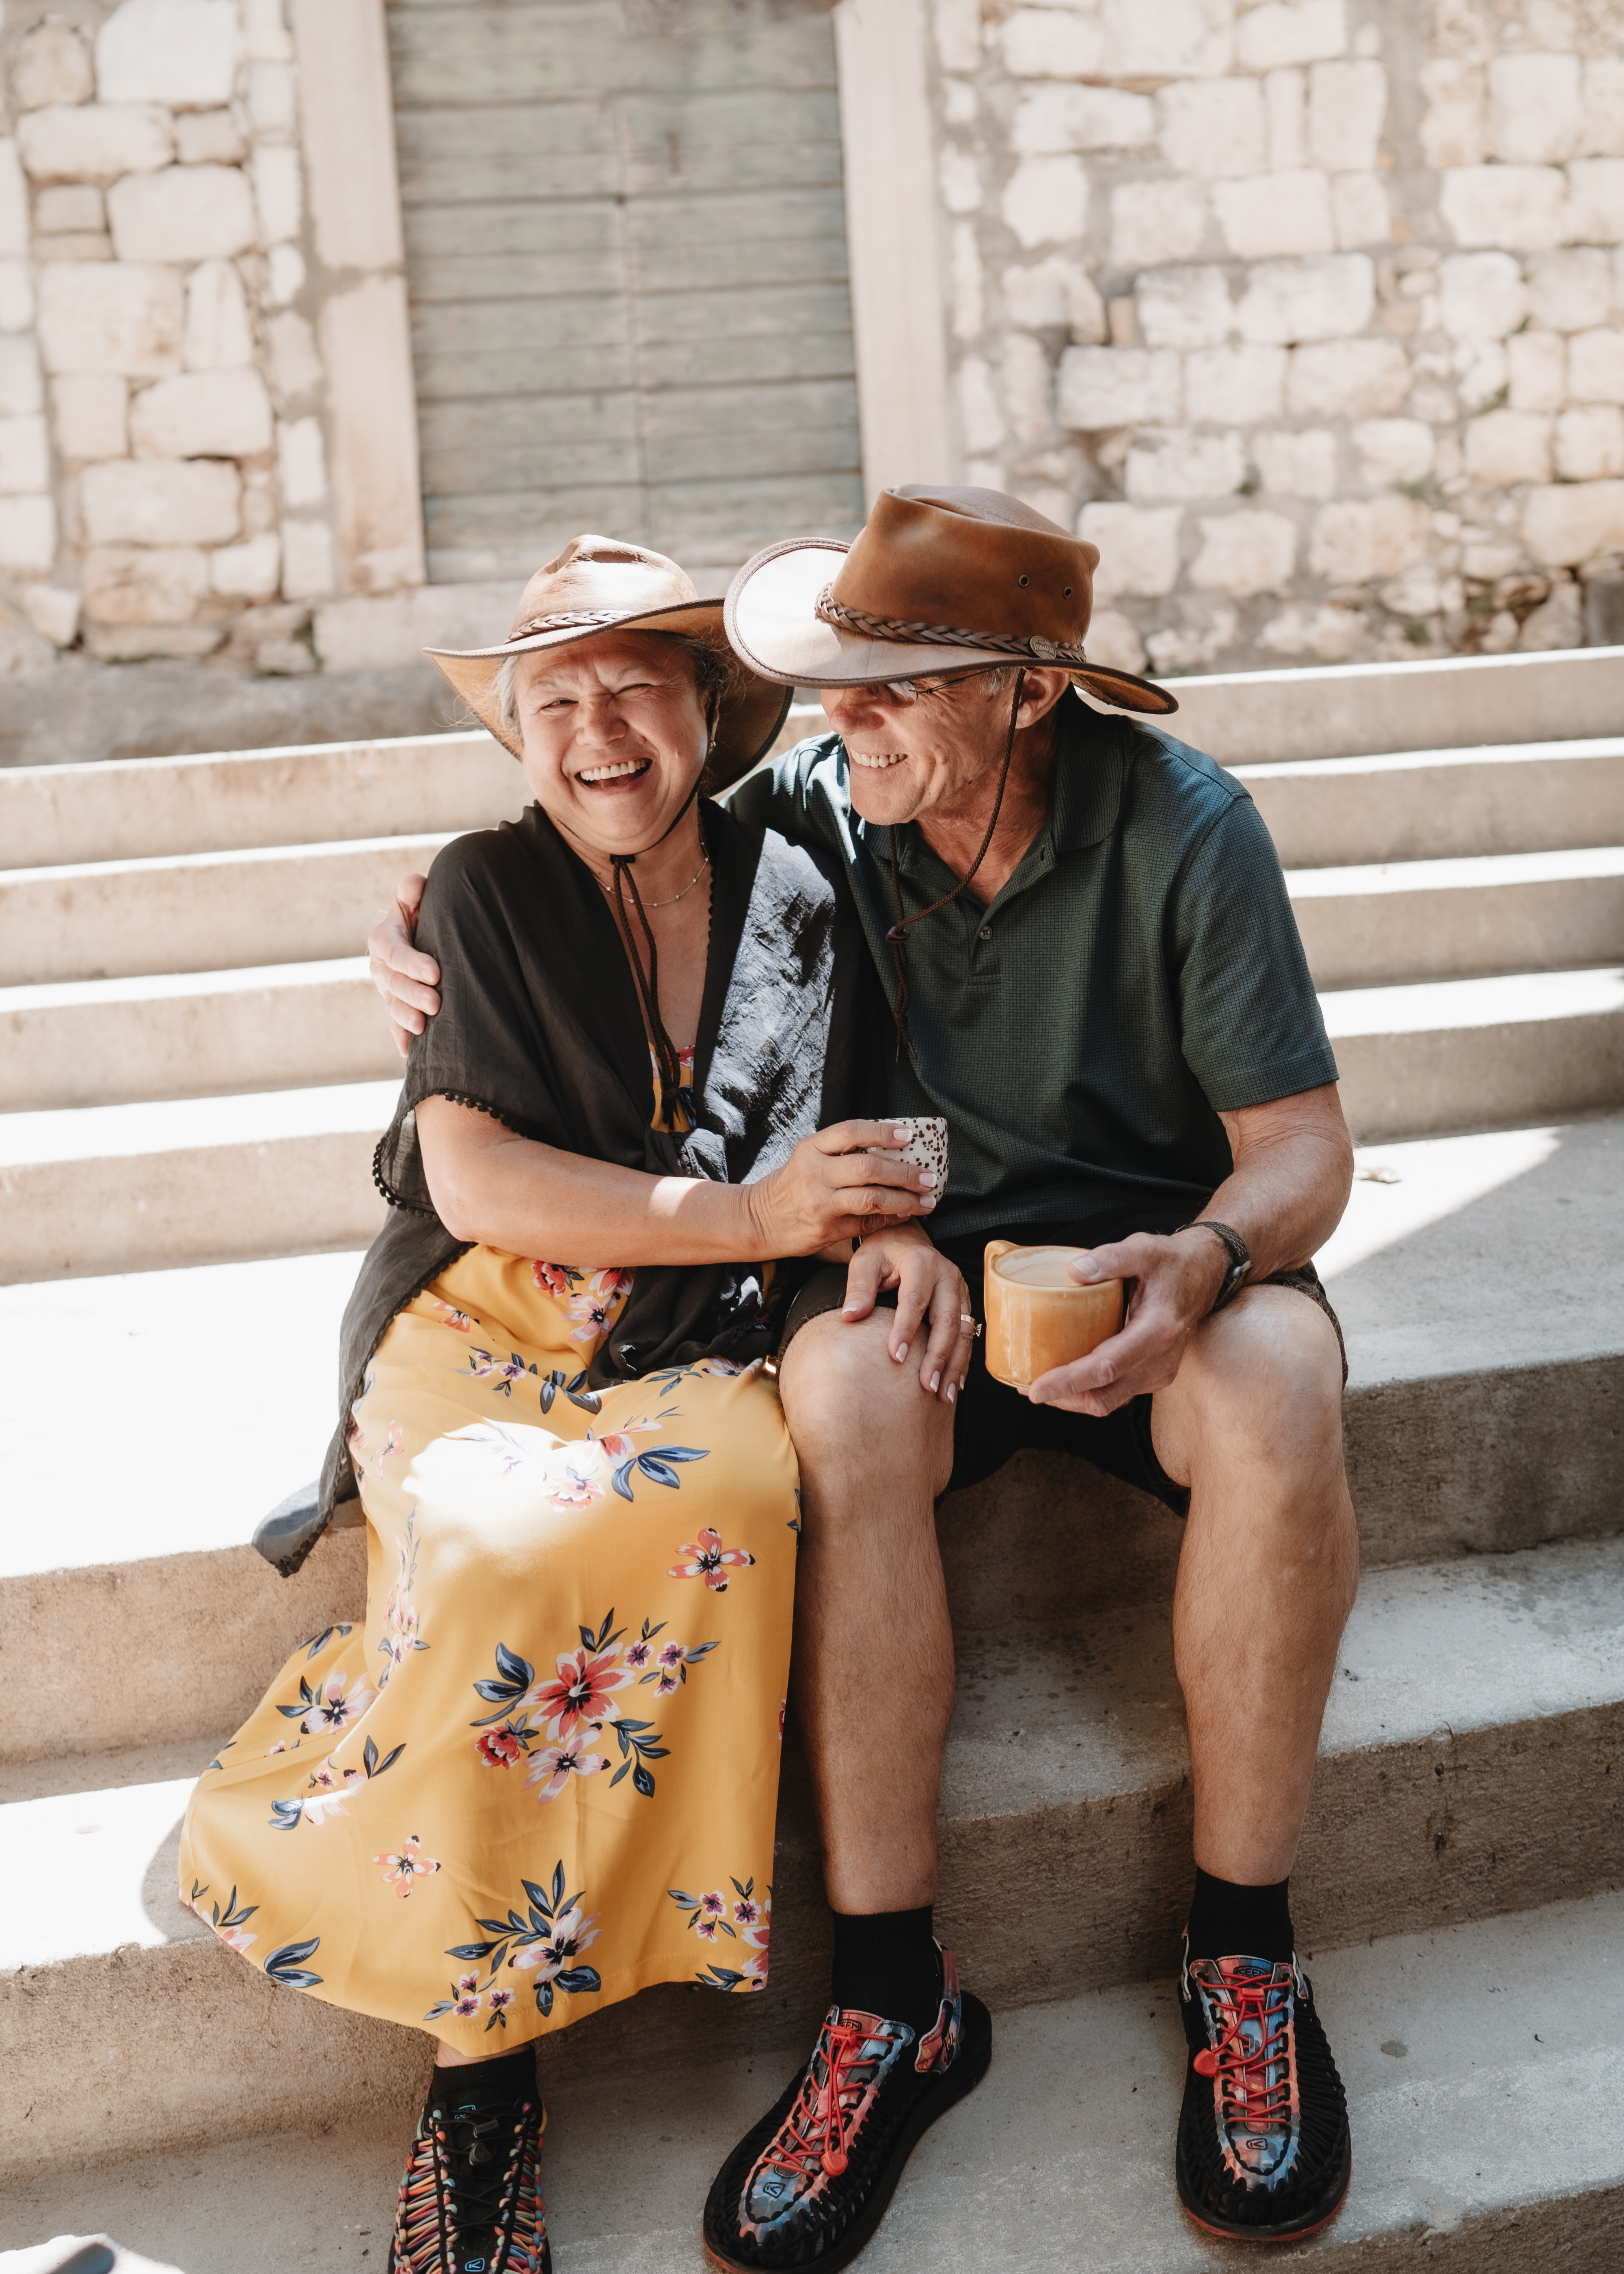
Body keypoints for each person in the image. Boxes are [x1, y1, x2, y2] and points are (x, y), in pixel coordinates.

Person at [371, 489, 1361, 2258]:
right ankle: (894, 1995)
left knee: (1284, 1375)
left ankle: (1246, 1952)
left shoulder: (1189, 828)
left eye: (893, 690)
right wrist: (413, 944)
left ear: (1030, 696)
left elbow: (1301, 1150)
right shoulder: (823, 802)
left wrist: (1202, 1257)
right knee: (830, 1397)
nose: (845, 722)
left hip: (1155, 1276)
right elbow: (615, 836)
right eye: (833, 688)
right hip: (922, 1285)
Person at [179, 536, 982, 2274]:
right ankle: (483, 2086)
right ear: (521, 735)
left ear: (705, 707)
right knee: (484, 1544)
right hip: (483, 1316)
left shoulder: (801, 887)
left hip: (697, 1335)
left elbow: (883, 1106)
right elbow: (467, 1174)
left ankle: (794, 2006)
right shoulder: (476, 887)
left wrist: (901, 1221)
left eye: (635, 685)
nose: (599, 728)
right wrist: (748, 1214)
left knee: (719, 1501)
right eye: (557, 697)